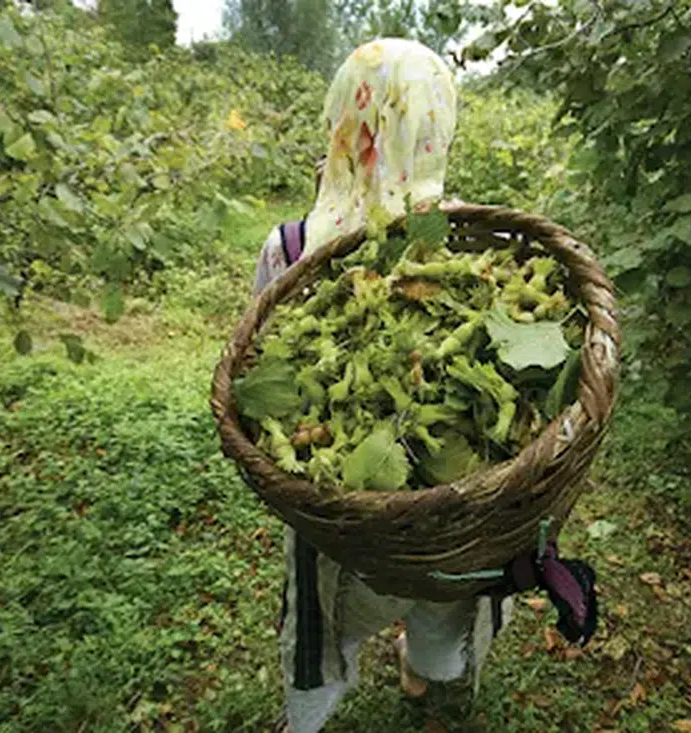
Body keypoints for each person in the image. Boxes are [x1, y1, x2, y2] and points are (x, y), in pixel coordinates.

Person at [251, 38, 597, 733]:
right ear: (438, 128)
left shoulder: (289, 247)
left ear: (344, 126)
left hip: (341, 523)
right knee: (444, 604)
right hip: (456, 522)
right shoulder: (470, 235)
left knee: (329, 618)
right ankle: (424, 668)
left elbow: (260, 368)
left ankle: (316, 712)